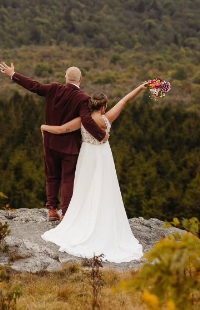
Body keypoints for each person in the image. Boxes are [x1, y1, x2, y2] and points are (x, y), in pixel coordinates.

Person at [40, 83, 147, 261]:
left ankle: (83, 218)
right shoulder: (107, 119)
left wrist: (44, 127)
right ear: (104, 106)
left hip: (87, 157)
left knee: (85, 189)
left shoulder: (83, 120)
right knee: (104, 189)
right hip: (104, 157)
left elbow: (62, 130)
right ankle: (103, 220)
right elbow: (125, 100)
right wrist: (140, 88)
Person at [0, 62, 107, 221]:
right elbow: (86, 119)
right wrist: (101, 135)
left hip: (50, 143)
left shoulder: (54, 88)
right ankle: (66, 213)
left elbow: (34, 86)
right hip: (69, 146)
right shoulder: (83, 98)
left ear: (65, 78)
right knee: (68, 178)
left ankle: (52, 210)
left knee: (52, 176)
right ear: (80, 79)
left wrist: (13, 74)